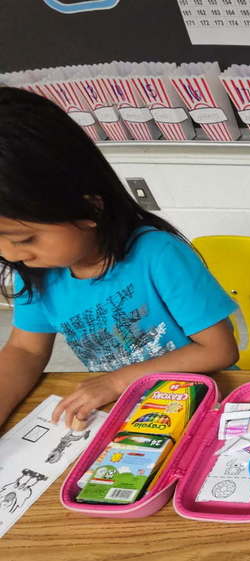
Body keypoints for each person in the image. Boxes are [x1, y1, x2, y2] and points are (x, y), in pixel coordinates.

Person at [0, 87, 238, 428]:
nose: (11, 255)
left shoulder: (157, 255)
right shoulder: (35, 270)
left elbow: (219, 351)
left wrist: (116, 381)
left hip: (204, 400)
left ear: (89, 206)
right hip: (129, 410)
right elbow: (25, 351)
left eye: (25, 238)